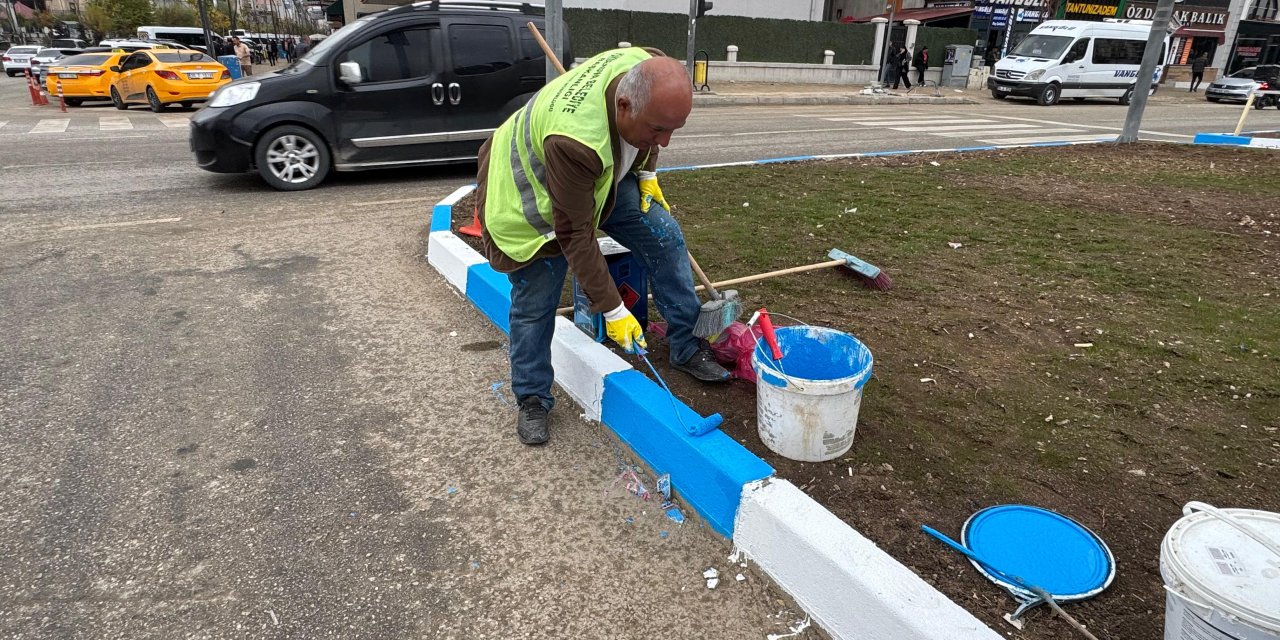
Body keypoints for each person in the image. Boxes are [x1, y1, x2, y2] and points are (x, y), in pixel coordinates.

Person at [475, 48, 731, 446]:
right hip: (530, 200)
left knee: (664, 237)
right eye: (657, 130)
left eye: (672, 130)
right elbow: (575, 234)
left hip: (599, 177)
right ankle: (532, 397)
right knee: (536, 300)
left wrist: (647, 170)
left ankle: (685, 345)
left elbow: (654, 130)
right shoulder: (574, 141)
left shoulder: (647, 65)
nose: (664, 139)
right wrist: (613, 310)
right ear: (624, 106)